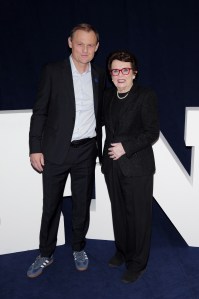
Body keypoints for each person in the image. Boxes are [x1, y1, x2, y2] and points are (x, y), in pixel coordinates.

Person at [27, 23, 106, 278]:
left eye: (90, 45)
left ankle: (78, 247)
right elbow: (40, 111)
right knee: (51, 204)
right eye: (80, 43)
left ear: (96, 47)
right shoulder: (53, 71)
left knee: (82, 204)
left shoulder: (99, 75)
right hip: (56, 152)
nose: (85, 49)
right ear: (70, 43)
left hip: (86, 152)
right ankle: (45, 253)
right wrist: (35, 148)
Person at [102, 50, 159, 283]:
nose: (120, 74)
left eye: (125, 70)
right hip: (112, 166)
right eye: (115, 70)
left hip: (137, 167)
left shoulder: (146, 95)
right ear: (111, 74)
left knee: (138, 217)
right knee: (119, 213)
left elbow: (151, 132)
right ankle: (123, 251)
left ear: (134, 73)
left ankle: (137, 263)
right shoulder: (107, 96)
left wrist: (125, 147)